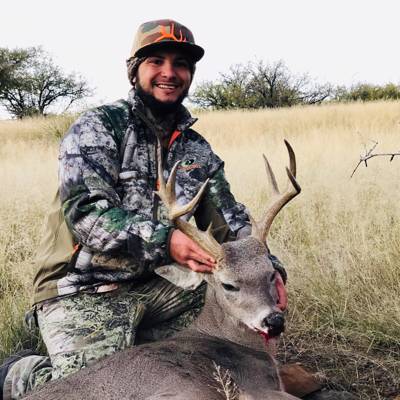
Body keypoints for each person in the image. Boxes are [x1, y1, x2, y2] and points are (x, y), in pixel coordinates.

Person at [0, 19, 287, 400]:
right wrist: (166, 242)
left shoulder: (196, 150)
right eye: (156, 61)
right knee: (105, 386)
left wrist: (269, 268)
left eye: (181, 63)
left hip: (162, 284)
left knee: (213, 355)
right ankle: (21, 373)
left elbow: (232, 225)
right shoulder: (97, 128)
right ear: (134, 70)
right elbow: (87, 215)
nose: (169, 72)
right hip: (86, 288)